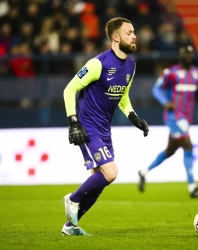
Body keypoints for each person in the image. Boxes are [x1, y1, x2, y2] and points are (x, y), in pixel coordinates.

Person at [61, 17, 149, 236]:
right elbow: (69, 90)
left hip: (104, 129)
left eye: (134, 31)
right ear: (116, 37)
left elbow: (123, 95)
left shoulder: (131, 65)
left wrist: (134, 117)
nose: (134, 35)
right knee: (110, 173)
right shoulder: (97, 64)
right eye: (129, 33)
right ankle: (72, 199)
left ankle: (71, 226)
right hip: (87, 126)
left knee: (98, 182)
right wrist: (73, 123)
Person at [138, 45, 198, 198]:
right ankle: (192, 187)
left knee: (170, 151)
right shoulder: (171, 72)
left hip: (187, 117)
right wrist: (165, 101)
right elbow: (156, 89)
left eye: (190, 54)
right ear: (180, 56)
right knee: (188, 146)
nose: (187, 57)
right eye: (184, 54)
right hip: (173, 116)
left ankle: (144, 172)